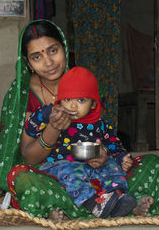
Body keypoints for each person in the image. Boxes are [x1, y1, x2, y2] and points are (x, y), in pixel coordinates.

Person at [0, 20, 159, 220]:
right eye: (37, 56)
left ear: (64, 48)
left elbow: (96, 132)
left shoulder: (83, 81)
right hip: (53, 173)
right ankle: (109, 206)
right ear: (27, 62)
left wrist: (102, 155)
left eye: (53, 51)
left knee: (151, 163)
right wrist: (53, 128)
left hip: (93, 169)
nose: (48, 62)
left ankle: (102, 203)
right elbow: (30, 158)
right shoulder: (22, 94)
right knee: (22, 178)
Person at [24, 66, 142, 218]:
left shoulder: (99, 124)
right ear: (59, 101)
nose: (73, 105)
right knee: (71, 172)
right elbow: (30, 128)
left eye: (81, 100)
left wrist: (121, 157)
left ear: (93, 104)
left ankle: (117, 196)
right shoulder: (55, 116)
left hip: (89, 166)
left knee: (111, 164)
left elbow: (113, 144)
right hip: (59, 167)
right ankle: (93, 204)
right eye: (67, 99)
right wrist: (47, 113)